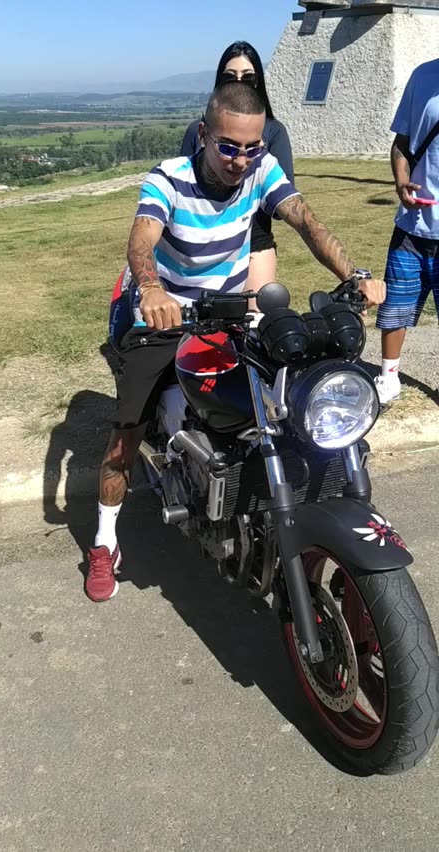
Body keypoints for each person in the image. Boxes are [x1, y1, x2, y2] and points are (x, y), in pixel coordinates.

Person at [85, 81, 385, 602]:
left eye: (251, 147)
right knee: (124, 435)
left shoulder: (262, 171)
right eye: (228, 146)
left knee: (286, 400)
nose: (239, 160)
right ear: (204, 135)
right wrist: (152, 290)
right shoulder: (168, 179)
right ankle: (104, 540)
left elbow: (304, 219)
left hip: (230, 314)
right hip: (165, 315)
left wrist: (353, 275)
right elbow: (142, 240)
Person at [181, 41, 294, 295]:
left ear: (259, 81)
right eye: (230, 77)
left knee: (254, 317)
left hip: (253, 243)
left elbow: (283, 207)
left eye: (248, 77)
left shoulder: (274, 131)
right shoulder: (196, 131)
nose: (239, 83)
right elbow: (181, 190)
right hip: (200, 244)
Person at [375, 57, 439, 405]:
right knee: (394, 307)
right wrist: (401, 181)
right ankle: (389, 378)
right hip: (412, 224)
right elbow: (401, 142)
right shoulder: (422, 76)